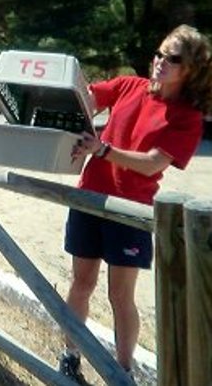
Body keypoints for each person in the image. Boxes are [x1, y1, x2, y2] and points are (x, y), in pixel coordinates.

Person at [58, 24, 212, 384]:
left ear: (190, 69)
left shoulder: (186, 118)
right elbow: (85, 97)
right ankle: (69, 356)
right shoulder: (130, 85)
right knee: (81, 284)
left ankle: (122, 371)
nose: (160, 62)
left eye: (172, 58)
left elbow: (154, 162)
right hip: (89, 197)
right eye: (159, 54)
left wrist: (104, 150)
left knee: (119, 295)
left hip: (130, 211)